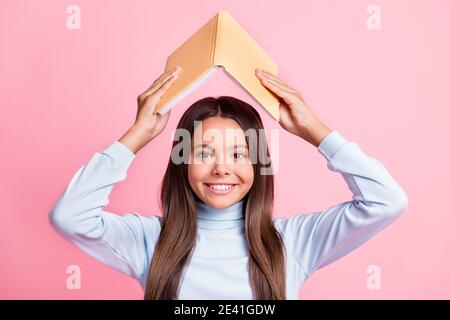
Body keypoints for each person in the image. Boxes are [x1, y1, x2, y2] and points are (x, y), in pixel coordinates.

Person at [49, 65, 408, 300]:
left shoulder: (294, 243)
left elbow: (386, 201)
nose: (222, 169)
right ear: (182, 162)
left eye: (238, 154)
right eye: (204, 153)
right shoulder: (148, 241)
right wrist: (137, 135)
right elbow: (70, 217)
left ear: (258, 164)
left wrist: (314, 130)